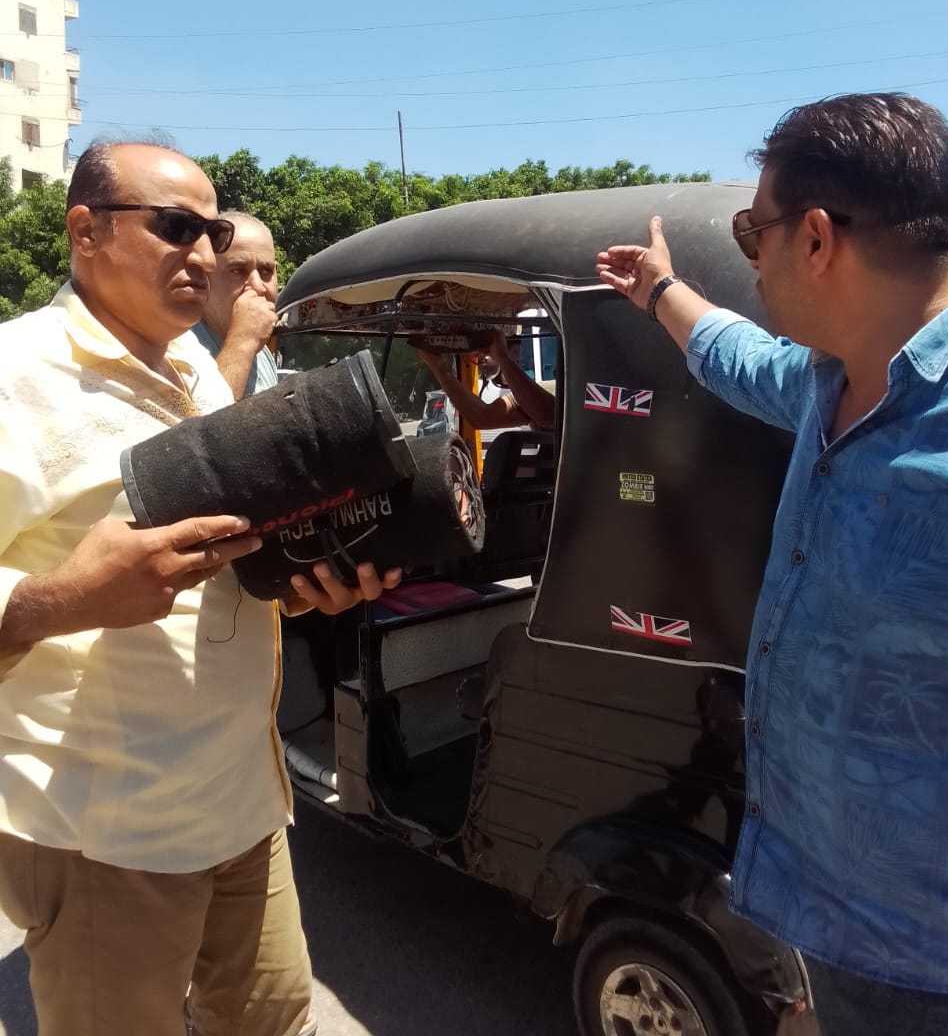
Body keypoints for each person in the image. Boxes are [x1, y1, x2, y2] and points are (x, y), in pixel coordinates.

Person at [0, 142, 400, 1036]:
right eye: (176, 227)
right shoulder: (16, 376)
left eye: (214, 235)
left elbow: (235, 566)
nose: (206, 256)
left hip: (243, 800)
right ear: (85, 230)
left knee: (276, 1022)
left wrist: (303, 588)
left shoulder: (195, 374)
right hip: (109, 830)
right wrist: (64, 601)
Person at [597, 93, 948, 1036]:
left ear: (817, 239)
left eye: (753, 235)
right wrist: (659, 291)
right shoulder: (829, 378)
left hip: (930, 954)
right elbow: (738, 356)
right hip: (836, 909)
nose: (752, 260)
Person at [193, 210, 279, 399]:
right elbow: (205, 417)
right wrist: (243, 343)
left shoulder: (262, 354)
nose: (258, 287)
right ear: (204, 276)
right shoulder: (178, 347)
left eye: (266, 271)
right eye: (237, 271)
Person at [416, 330, 555, 431]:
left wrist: (502, 357)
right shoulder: (546, 391)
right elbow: (482, 417)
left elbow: (547, 416)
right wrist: (441, 370)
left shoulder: (555, 392)